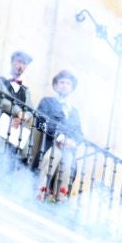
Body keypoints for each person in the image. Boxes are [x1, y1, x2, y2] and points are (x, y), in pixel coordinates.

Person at [33, 68, 83, 198]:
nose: (65, 86)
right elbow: (41, 122)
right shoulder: (47, 102)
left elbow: (79, 133)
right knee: (53, 155)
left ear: (72, 88)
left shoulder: (74, 112)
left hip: (68, 150)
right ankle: (39, 193)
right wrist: (59, 137)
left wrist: (73, 142)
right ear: (55, 86)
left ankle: (59, 200)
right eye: (61, 82)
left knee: (68, 164)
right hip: (51, 145)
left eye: (68, 83)